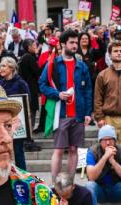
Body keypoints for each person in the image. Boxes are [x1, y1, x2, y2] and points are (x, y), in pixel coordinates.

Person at [39, 29, 93, 181]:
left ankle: (70, 183)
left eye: (76, 42)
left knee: (74, 149)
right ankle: (55, 184)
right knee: (58, 150)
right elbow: (42, 84)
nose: (75, 45)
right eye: (72, 42)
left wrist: (89, 112)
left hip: (78, 114)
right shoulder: (53, 64)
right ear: (63, 44)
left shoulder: (82, 66)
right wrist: (57, 95)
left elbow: (88, 89)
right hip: (61, 114)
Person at [0, 56, 30, 170]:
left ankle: (22, 176)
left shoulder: (21, 83)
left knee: (18, 151)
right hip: (2, 124)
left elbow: (26, 103)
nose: (1, 68)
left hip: (17, 124)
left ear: (11, 68)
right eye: (0, 66)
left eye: (3, 66)